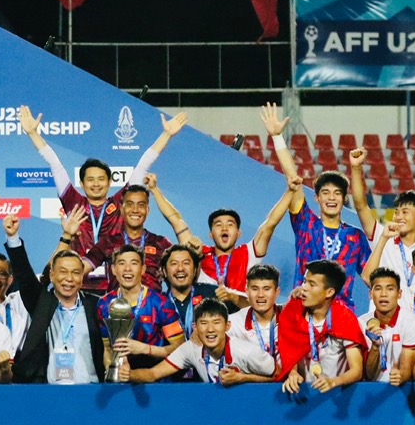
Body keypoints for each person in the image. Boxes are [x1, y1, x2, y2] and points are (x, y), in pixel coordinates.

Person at [17, 104, 187, 291]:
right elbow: (55, 164)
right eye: (90, 179)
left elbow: (143, 165)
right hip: (79, 285)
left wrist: (166, 135)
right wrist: (33, 133)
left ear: (109, 182)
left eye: (101, 179)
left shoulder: (121, 202)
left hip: (113, 287)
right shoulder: (73, 202)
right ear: (81, 183)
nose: (96, 184)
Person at [263, 104, 371, 306]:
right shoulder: (306, 223)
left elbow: (372, 277)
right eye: (326, 193)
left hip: (340, 316)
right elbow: (292, 177)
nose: (332, 198)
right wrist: (277, 137)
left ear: (344, 199)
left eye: (337, 193)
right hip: (302, 310)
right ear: (317, 198)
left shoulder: (356, 237)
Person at [146, 172, 292, 303]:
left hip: (239, 326)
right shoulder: (198, 253)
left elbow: (270, 223)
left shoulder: (248, 253)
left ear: (238, 232)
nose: (224, 228)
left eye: (230, 224)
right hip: (206, 324)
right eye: (218, 225)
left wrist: (290, 192)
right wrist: (154, 190)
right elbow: (176, 221)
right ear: (211, 234)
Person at [8, 210, 107, 384]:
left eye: (76, 272)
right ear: (52, 275)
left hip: (90, 391)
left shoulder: (96, 305)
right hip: (49, 394)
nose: (69, 278)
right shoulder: (42, 303)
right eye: (63, 272)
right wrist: (13, 238)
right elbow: (24, 276)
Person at [121, 300, 276, 384]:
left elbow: (279, 377)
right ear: (195, 327)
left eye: (216, 322)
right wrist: (129, 374)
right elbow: (153, 373)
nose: (210, 329)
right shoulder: (191, 349)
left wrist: (243, 378)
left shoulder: (247, 352)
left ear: (227, 326)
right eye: (203, 323)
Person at [274, 260, 367, 394]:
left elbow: (356, 371)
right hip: (302, 397)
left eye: (312, 284)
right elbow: (290, 348)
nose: (304, 288)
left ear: (329, 292)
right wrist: (292, 373)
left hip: (336, 397)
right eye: (304, 281)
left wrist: (334, 382)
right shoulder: (293, 314)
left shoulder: (345, 319)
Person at [99, 245, 185, 374]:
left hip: (156, 382)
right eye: (122, 263)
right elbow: (107, 348)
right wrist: (111, 370)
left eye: (134, 263)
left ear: (143, 269)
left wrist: (146, 349)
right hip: (122, 381)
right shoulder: (104, 304)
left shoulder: (160, 304)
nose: (127, 269)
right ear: (113, 269)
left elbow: (180, 349)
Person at [82, 184, 172, 291]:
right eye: (130, 204)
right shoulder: (108, 242)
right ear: (121, 209)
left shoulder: (160, 243)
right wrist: (67, 236)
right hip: (117, 305)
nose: (135, 210)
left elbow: (183, 268)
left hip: (152, 306)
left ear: (147, 210)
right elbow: (80, 269)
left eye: (141, 205)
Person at [359, 266, 415, 385]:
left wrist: (400, 376)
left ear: (399, 294)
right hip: (369, 390)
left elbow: (406, 369)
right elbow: (369, 376)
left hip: (402, 389)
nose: (383, 294)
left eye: (390, 289)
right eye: (378, 289)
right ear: (370, 294)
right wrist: (375, 347)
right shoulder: (361, 323)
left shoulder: (412, 322)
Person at [0, 239, 31, 355]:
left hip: (17, 368)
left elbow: (44, 277)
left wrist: (66, 237)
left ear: (10, 279)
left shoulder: (19, 302)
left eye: (2, 274)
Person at [228, 264, 282, 369]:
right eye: (255, 289)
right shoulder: (233, 323)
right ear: (247, 291)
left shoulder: (290, 319)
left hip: (287, 383)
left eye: (266, 289)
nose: (260, 295)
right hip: (247, 385)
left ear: (277, 292)